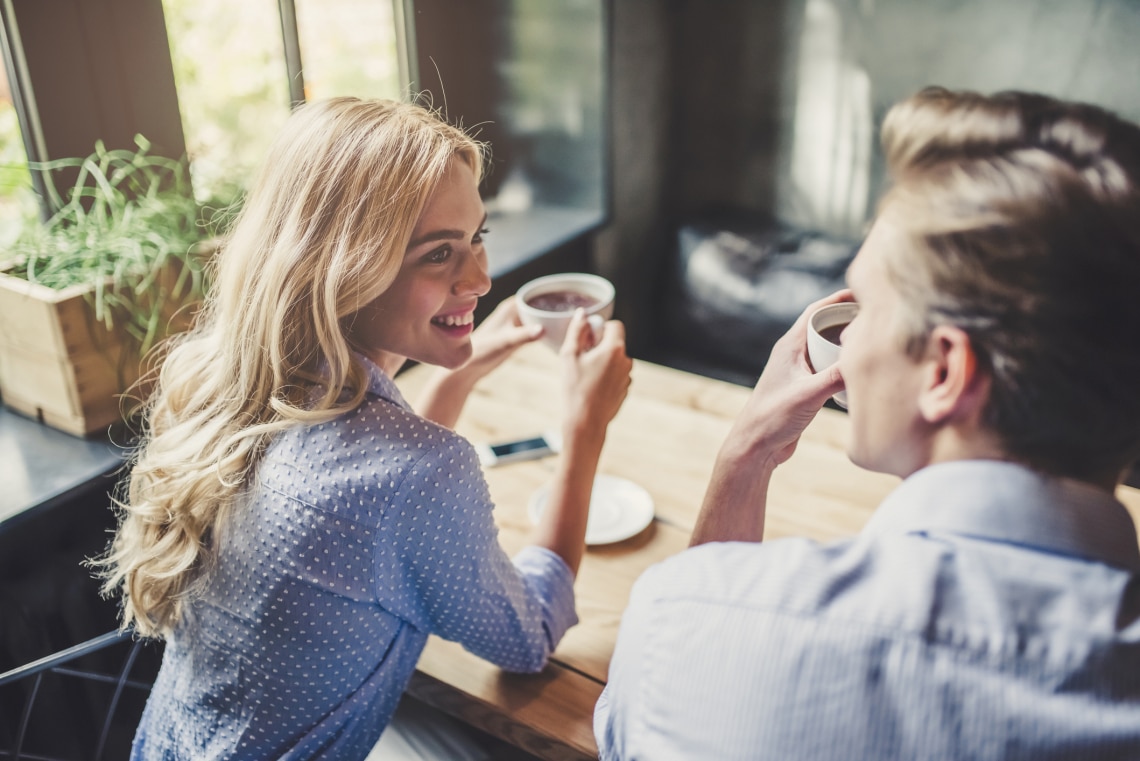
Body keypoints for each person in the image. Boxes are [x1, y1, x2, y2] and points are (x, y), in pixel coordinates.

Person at [595, 86, 1140, 760]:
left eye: (868, 308)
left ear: (944, 371)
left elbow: (632, 723)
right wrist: (750, 451)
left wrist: (741, 453)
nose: (847, 342)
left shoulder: (689, 622)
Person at [97, 96, 632, 759]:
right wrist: (584, 431)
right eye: (439, 253)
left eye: (478, 238)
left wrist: (454, 378)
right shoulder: (418, 472)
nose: (481, 278)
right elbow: (527, 637)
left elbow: (365, 505)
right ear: (342, 268)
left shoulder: (224, 386)